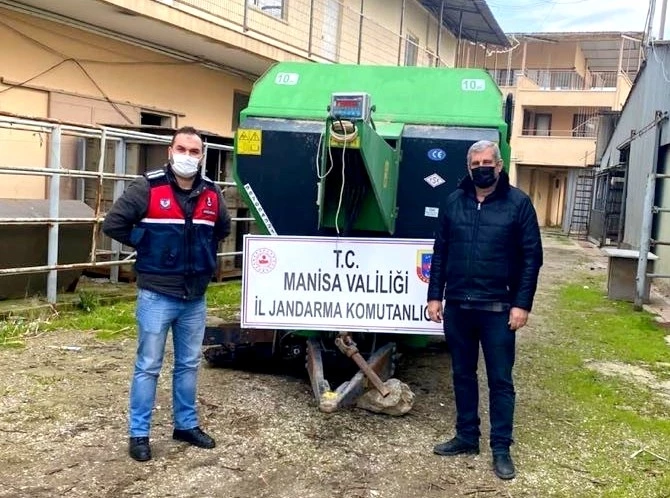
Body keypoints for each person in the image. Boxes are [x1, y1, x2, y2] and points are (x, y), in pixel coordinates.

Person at [102, 126, 232, 462]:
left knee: (188, 364)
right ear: (170, 151)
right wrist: (149, 242)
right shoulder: (147, 186)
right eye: (182, 149)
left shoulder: (210, 193)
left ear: (202, 156)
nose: (188, 156)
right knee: (148, 365)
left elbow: (222, 229)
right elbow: (113, 223)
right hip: (157, 294)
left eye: (195, 151)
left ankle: (185, 425)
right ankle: (139, 433)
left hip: (195, 296)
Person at [426, 139, 543, 480]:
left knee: (500, 381)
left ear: (500, 164)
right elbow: (441, 252)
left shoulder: (518, 204)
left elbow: (531, 259)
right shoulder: (453, 202)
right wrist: (436, 297)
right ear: (468, 168)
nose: (482, 168)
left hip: (498, 310)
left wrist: (522, 304)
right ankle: (466, 436)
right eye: (476, 163)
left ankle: (501, 448)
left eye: (487, 162)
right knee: (462, 375)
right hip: (459, 307)